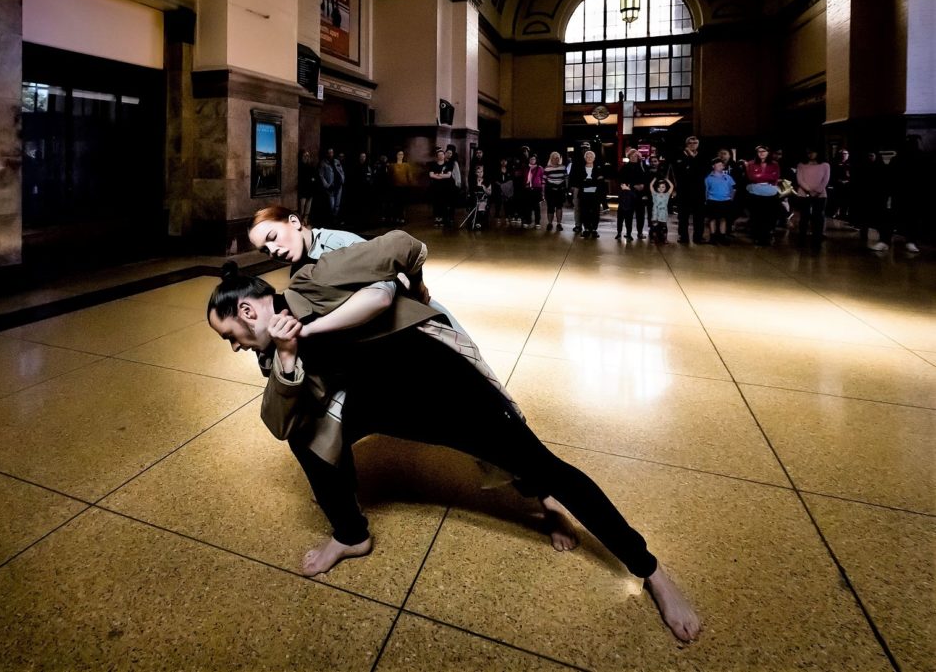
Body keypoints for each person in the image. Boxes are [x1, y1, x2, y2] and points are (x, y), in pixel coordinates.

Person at [206, 231, 702, 643]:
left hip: (440, 387)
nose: (234, 348)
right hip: (374, 404)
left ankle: (650, 569)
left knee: (539, 466)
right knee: (305, 438)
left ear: (249, 313)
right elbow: (278, 422)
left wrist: (415, 290)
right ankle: (351, 536)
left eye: (230, 336)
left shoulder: (314, 280)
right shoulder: (272, 350)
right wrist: (290, 357)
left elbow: (404, 244)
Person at [744, 145, 781, 246]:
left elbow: (775, 177)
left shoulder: (774, 164)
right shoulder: (751, 163)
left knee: (768, 216)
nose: (761, 153)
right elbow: (751, 177)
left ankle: (766, 237)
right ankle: (756, 237)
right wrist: (764, 177)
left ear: (768, 152)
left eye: (763, 151)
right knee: (756, 216)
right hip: (755, 193)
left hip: (770, 193)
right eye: (759, 151)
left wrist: (759, 176)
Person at [795, 148, 830, 247]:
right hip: (804, 194)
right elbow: (799, 180)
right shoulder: (801, 165)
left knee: (818, 217)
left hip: (820, 195)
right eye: (808, 152)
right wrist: (809, 191)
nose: (810, 154)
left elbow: (825, 180)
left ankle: (817, 238)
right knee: (804, 217)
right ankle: (802, 238)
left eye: (812, 151)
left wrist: (817, 191)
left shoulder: (825, 165)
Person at [675, 136, 707, 244]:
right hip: (683, 191)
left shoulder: (703, 156)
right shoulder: (679, 156)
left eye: (695, 142)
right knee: (683, 216)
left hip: (698, 191)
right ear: (686, 144)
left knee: (699, 216)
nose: (693, 144)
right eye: (690, 143)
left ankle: (698, 237)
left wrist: (693, 159)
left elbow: (702, 171)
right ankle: (683, 236)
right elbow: (680, 172)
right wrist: (690, 159)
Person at [571, 150, 605, 237]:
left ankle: (594, 229)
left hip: (595, 194)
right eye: (587, 157)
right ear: (585, 158)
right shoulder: (580, 168)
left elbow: (600, 181)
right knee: (584, 211)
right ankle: (586, 228)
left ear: (594, 158)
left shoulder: (598, 168)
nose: (589, 158)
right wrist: (592, 181)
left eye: (591, 157)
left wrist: (587, 181)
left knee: (595, 211)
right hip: (583, 194)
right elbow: (579, 181)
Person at [704, 159, 735, 245]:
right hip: (712, 200)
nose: (720, 167)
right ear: (713, 166)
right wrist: (706, 200)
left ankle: (722, 237)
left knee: (723, 219)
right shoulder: (708, 178)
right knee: (712, 219)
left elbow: (732, 189)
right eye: (718, 165)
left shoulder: (728, 177)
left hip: (725, 201)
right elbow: (706, 190)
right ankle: (712, 237)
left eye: (721, 165)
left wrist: (731, 198)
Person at [428, 149, 455, 227]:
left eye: (442, 155)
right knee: (436, 203)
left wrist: (438, 175)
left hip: (445, 187)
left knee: (444, 202)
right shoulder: (433, 165)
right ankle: (437, 218)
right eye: (439, 155)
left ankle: (443, 218)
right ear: (437, 156)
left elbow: (449, 175)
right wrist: (441, 176)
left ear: (444, 155)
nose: (441, 156)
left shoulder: (448, 164)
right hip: (436, 187)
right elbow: (431, 175)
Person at [543, 151, 569, 231]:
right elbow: (543, 181)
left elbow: (566, 178)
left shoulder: (563, 167)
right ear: (551, 159)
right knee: (550, 208)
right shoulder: (547, 168)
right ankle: (550, 223)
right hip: (550, 191)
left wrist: (567, 189)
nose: (556, 159)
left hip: (560, 191)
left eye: (557, 158)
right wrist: (543, 192)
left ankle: (559, 224)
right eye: (554, 158)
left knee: (559, 207)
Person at [319, 148, 345, 222]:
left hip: (338, 185)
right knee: (332, 204)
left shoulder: (337, 161)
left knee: (337, 204)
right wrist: (326, 185)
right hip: (331, 186)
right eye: (329, 152)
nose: (331, 154)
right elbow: (321, 175)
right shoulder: (323, 163)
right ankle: (331, 218)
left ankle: (335, 218)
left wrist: (342, 179)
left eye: (332, 152)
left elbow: (341, 171)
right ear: (327, 154)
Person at [649, 177, 674, 244]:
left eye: (663, 187)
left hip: (663, 214)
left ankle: (665, 239)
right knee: (654, 227)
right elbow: (651, 185)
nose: (661, 188)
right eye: (659, 187)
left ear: (665, 188)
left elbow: (672, 186)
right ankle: (654, 238)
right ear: (657, 188)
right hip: (655, 214)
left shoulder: (667, 195)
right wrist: (655, 179)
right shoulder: (654, 194)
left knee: (664, 227)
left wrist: (667, 179)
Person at [297, 149, 319, 220]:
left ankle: (305, 218)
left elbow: (315, 174)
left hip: (310, 187)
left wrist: (313, 179)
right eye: (305, 155)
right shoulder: (299, 165)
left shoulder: (311, 165)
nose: (307, 156)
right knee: (302, 204)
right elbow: (300, 176)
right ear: (302, 156)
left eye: (308, 155)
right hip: (303, 187)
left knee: (308, 203)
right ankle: (301, 217)